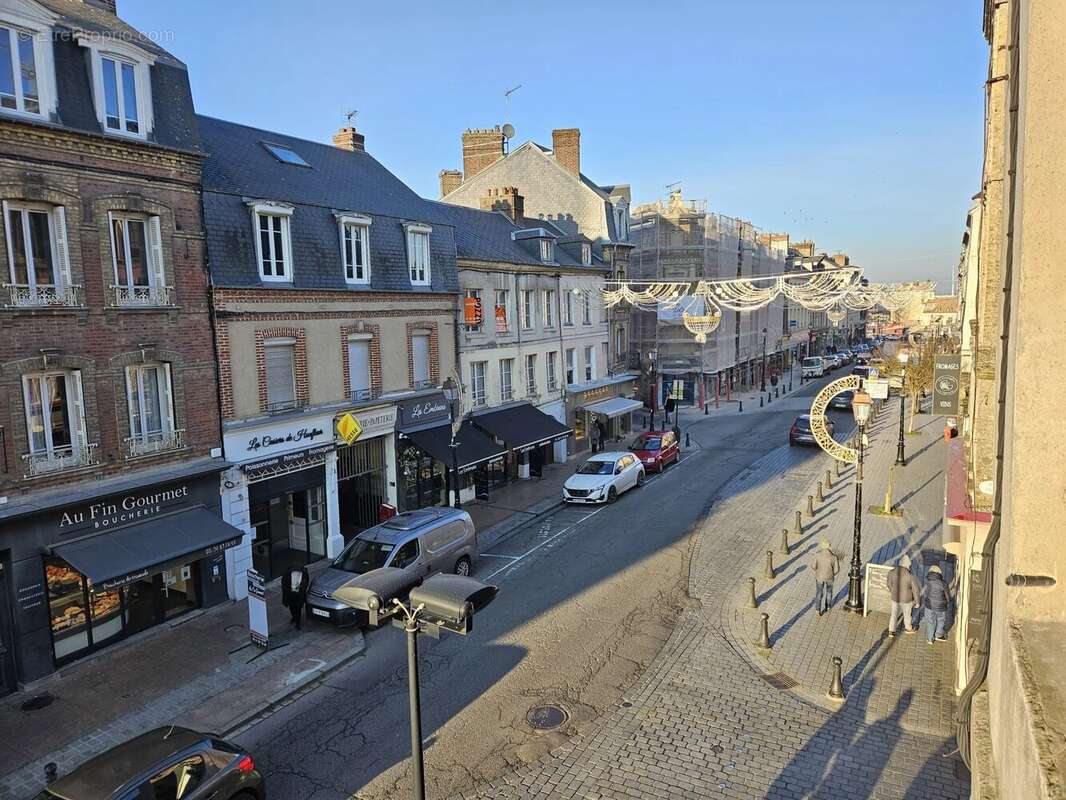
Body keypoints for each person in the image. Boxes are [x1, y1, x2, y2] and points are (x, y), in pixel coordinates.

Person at [886, 554, 921, 636]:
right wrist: (917, 602)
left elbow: (889, 584)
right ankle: (908, 628)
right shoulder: (910, 575)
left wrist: (893, 591)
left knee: (894, 614)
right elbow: (915, 590)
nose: (910, 566)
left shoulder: (891, 572)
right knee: (907, 615)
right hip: (907, 600)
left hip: (895, 598)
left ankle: (891, 631)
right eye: (909, 565)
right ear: (907, 564)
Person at [922, 564, 951, 644]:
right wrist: (948, 602)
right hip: (940, 606)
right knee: (941, 620)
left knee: (930, 622)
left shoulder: (926, 580)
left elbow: (925, 592)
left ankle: (930, 639)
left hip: (929, 605)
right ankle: (938, 635)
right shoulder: (943, 583)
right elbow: (947, 596)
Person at [810, 538, 839, 616]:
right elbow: (837, 570)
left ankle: (818, 609)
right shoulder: (833, 557)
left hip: (819, 577)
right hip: (830, 577)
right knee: (829, 592)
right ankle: (828, 606)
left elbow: (813, 566)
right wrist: (832, 574)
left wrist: (817, 570)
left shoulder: (817, 555)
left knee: (819, 593)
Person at [282, 564, 310, 629]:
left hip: (299, 595)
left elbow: (306, 583)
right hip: (290, 594)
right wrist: (287, 591)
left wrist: (302, 588)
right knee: (291, 608)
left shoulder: (304, 574)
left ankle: (298, 622)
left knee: (298, 609)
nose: (297, 573)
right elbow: (283, 583)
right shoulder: (288, 574)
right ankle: (294, 617)